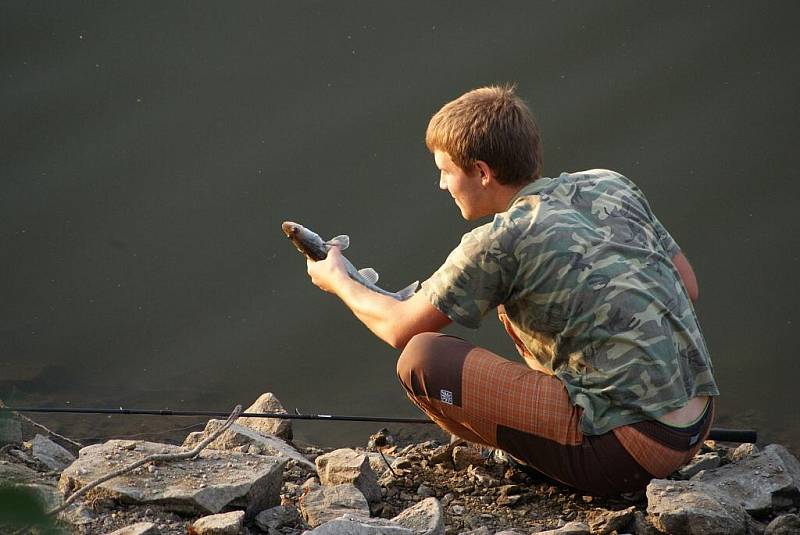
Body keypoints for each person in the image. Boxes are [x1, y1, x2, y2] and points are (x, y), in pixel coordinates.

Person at [305, 85, 719, 496]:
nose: (441, 184)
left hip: (629, 455)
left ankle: (548, 450)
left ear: (482, 172)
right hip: (697, 419)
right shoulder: (610, 184)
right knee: (517, 301)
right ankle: (568, 425)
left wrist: (338, 279)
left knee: (421, 360)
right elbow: (688, 285)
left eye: (446, 171)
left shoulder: (500, 240)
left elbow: (399, 328)